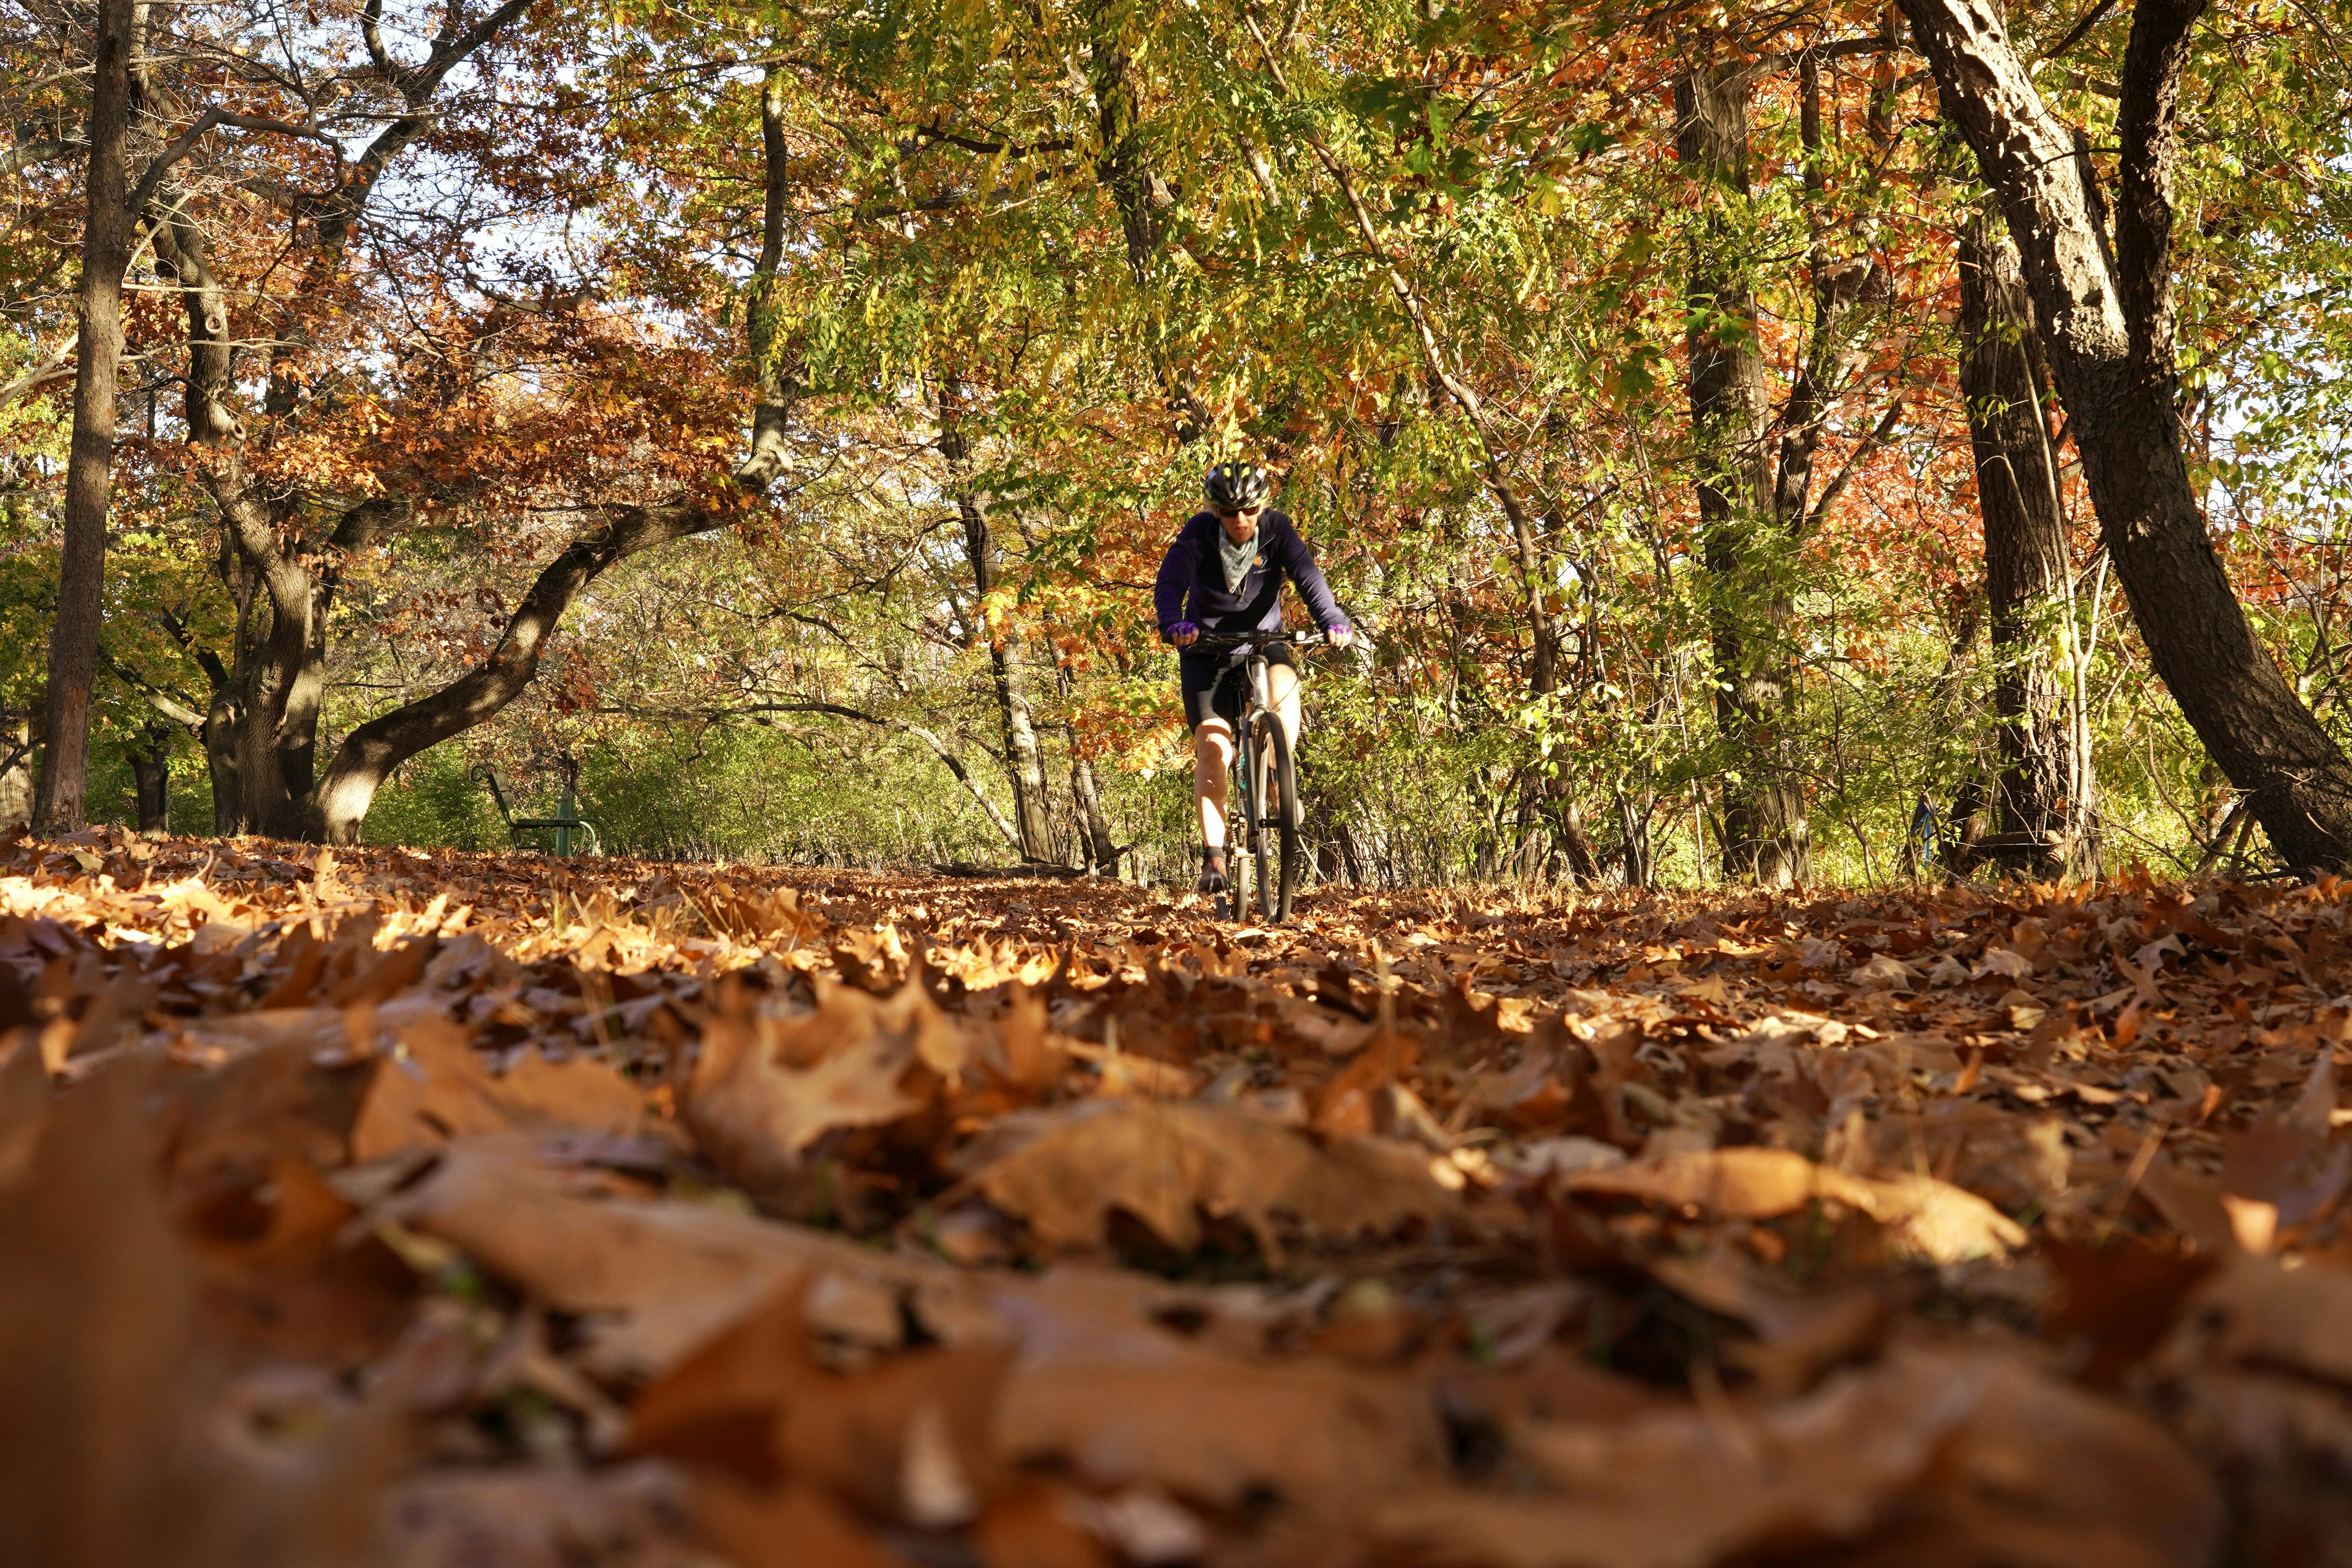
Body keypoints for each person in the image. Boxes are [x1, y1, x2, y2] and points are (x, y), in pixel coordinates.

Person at [1155, 462, 1352, 896]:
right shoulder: (1199, 533)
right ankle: (1215, 858)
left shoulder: (1278, 529)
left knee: (1284, 690)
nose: (1240, 520)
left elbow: (1309, 579)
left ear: (1262, 506)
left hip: (1264, 643)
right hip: (1206, 649)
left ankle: (1275, 774)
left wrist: (1333, 619)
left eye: (1248, 510)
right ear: (1215, 512)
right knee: (1213, 749)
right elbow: (1169, 583)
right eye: (1228, 512)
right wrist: (1173, 624)